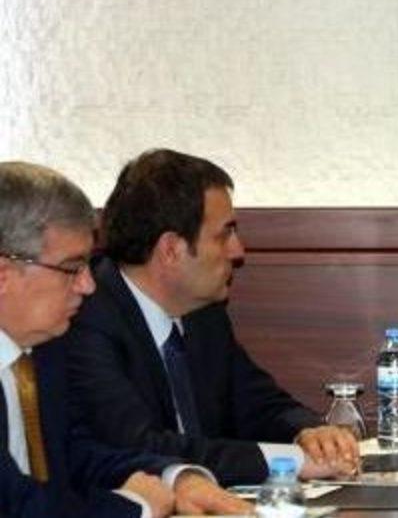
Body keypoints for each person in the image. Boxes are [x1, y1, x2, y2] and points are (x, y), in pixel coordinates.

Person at [65, 149, 359, 486]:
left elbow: (258, 403)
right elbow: (140, 447)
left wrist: (309, 432)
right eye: (225, 234)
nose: (238, 251)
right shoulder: (87, 318)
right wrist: (289, 462)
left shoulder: (203, 314)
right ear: (171, 249)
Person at [0, 161, 248, 517]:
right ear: (4, 275)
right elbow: (14, 504)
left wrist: (176, 478)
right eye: (72, 268)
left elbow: (77, 454)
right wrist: (135, 507)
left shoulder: (44, 350)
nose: (88, 285)